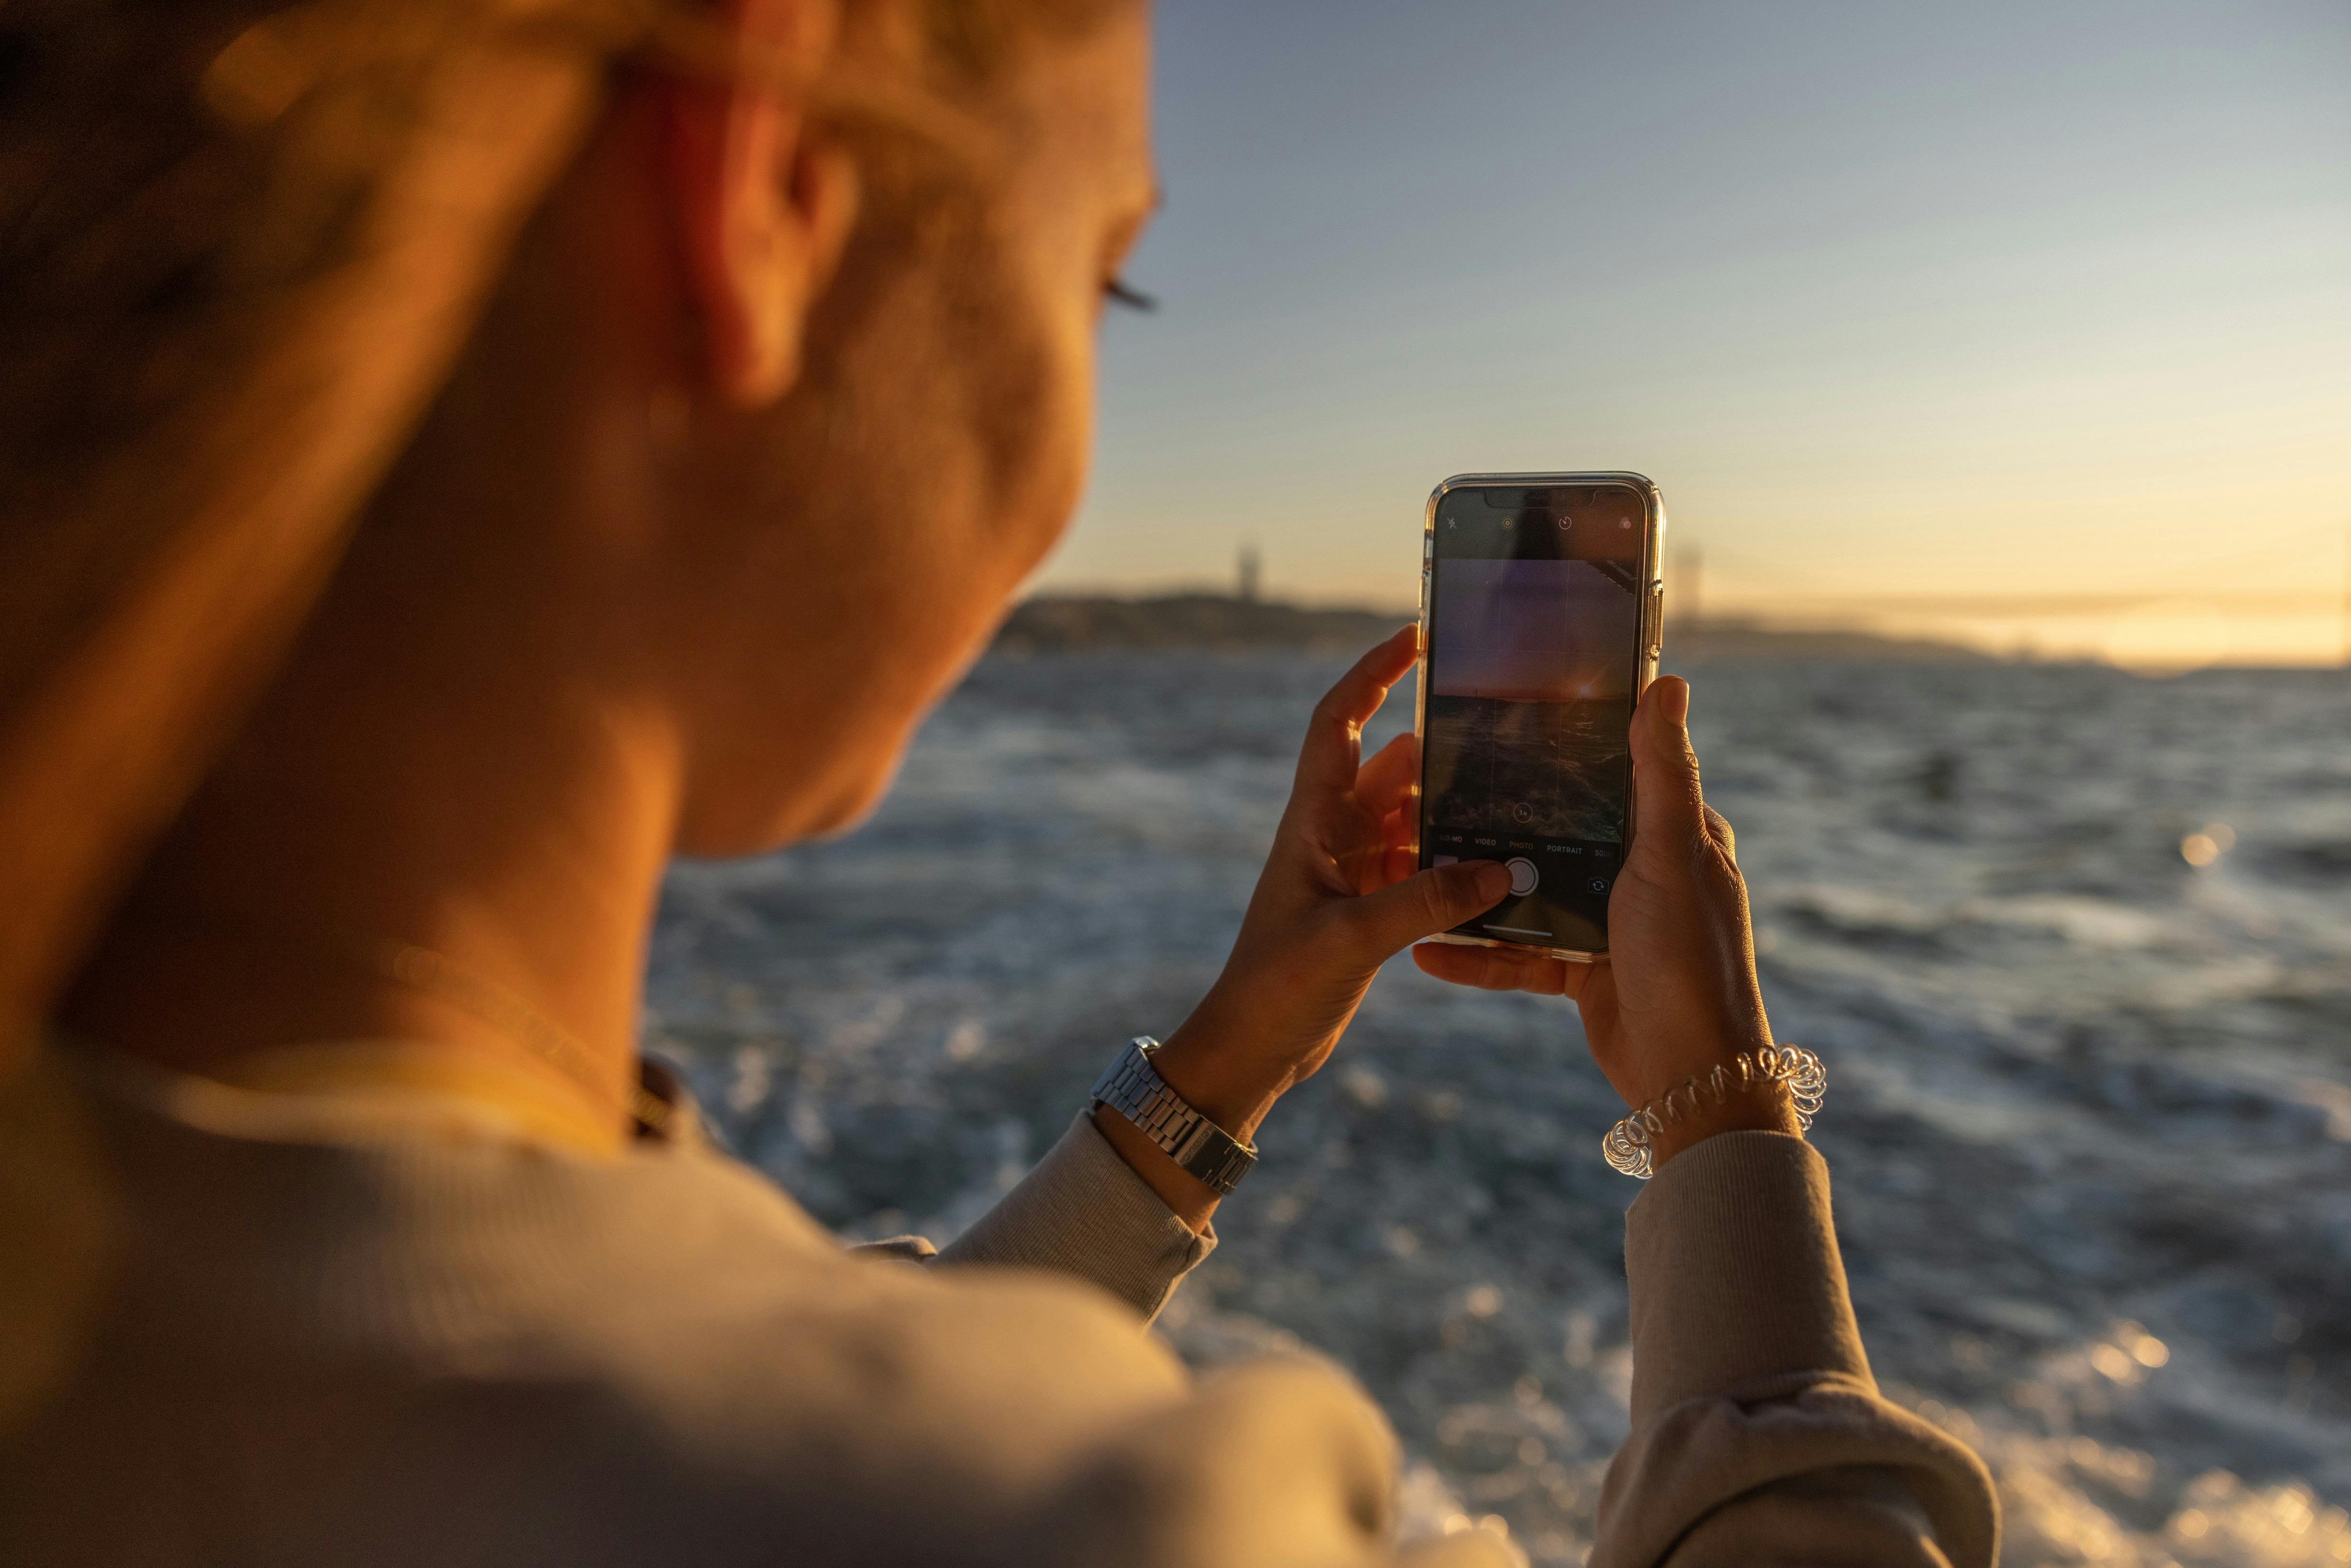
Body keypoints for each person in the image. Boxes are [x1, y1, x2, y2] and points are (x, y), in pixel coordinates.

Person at [0, 0, 1997, 1563]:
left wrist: (1208, 1078)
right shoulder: (1095, 1525)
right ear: (767, 180)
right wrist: (1723, 1118)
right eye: (1102, 277)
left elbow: (726, 1396)